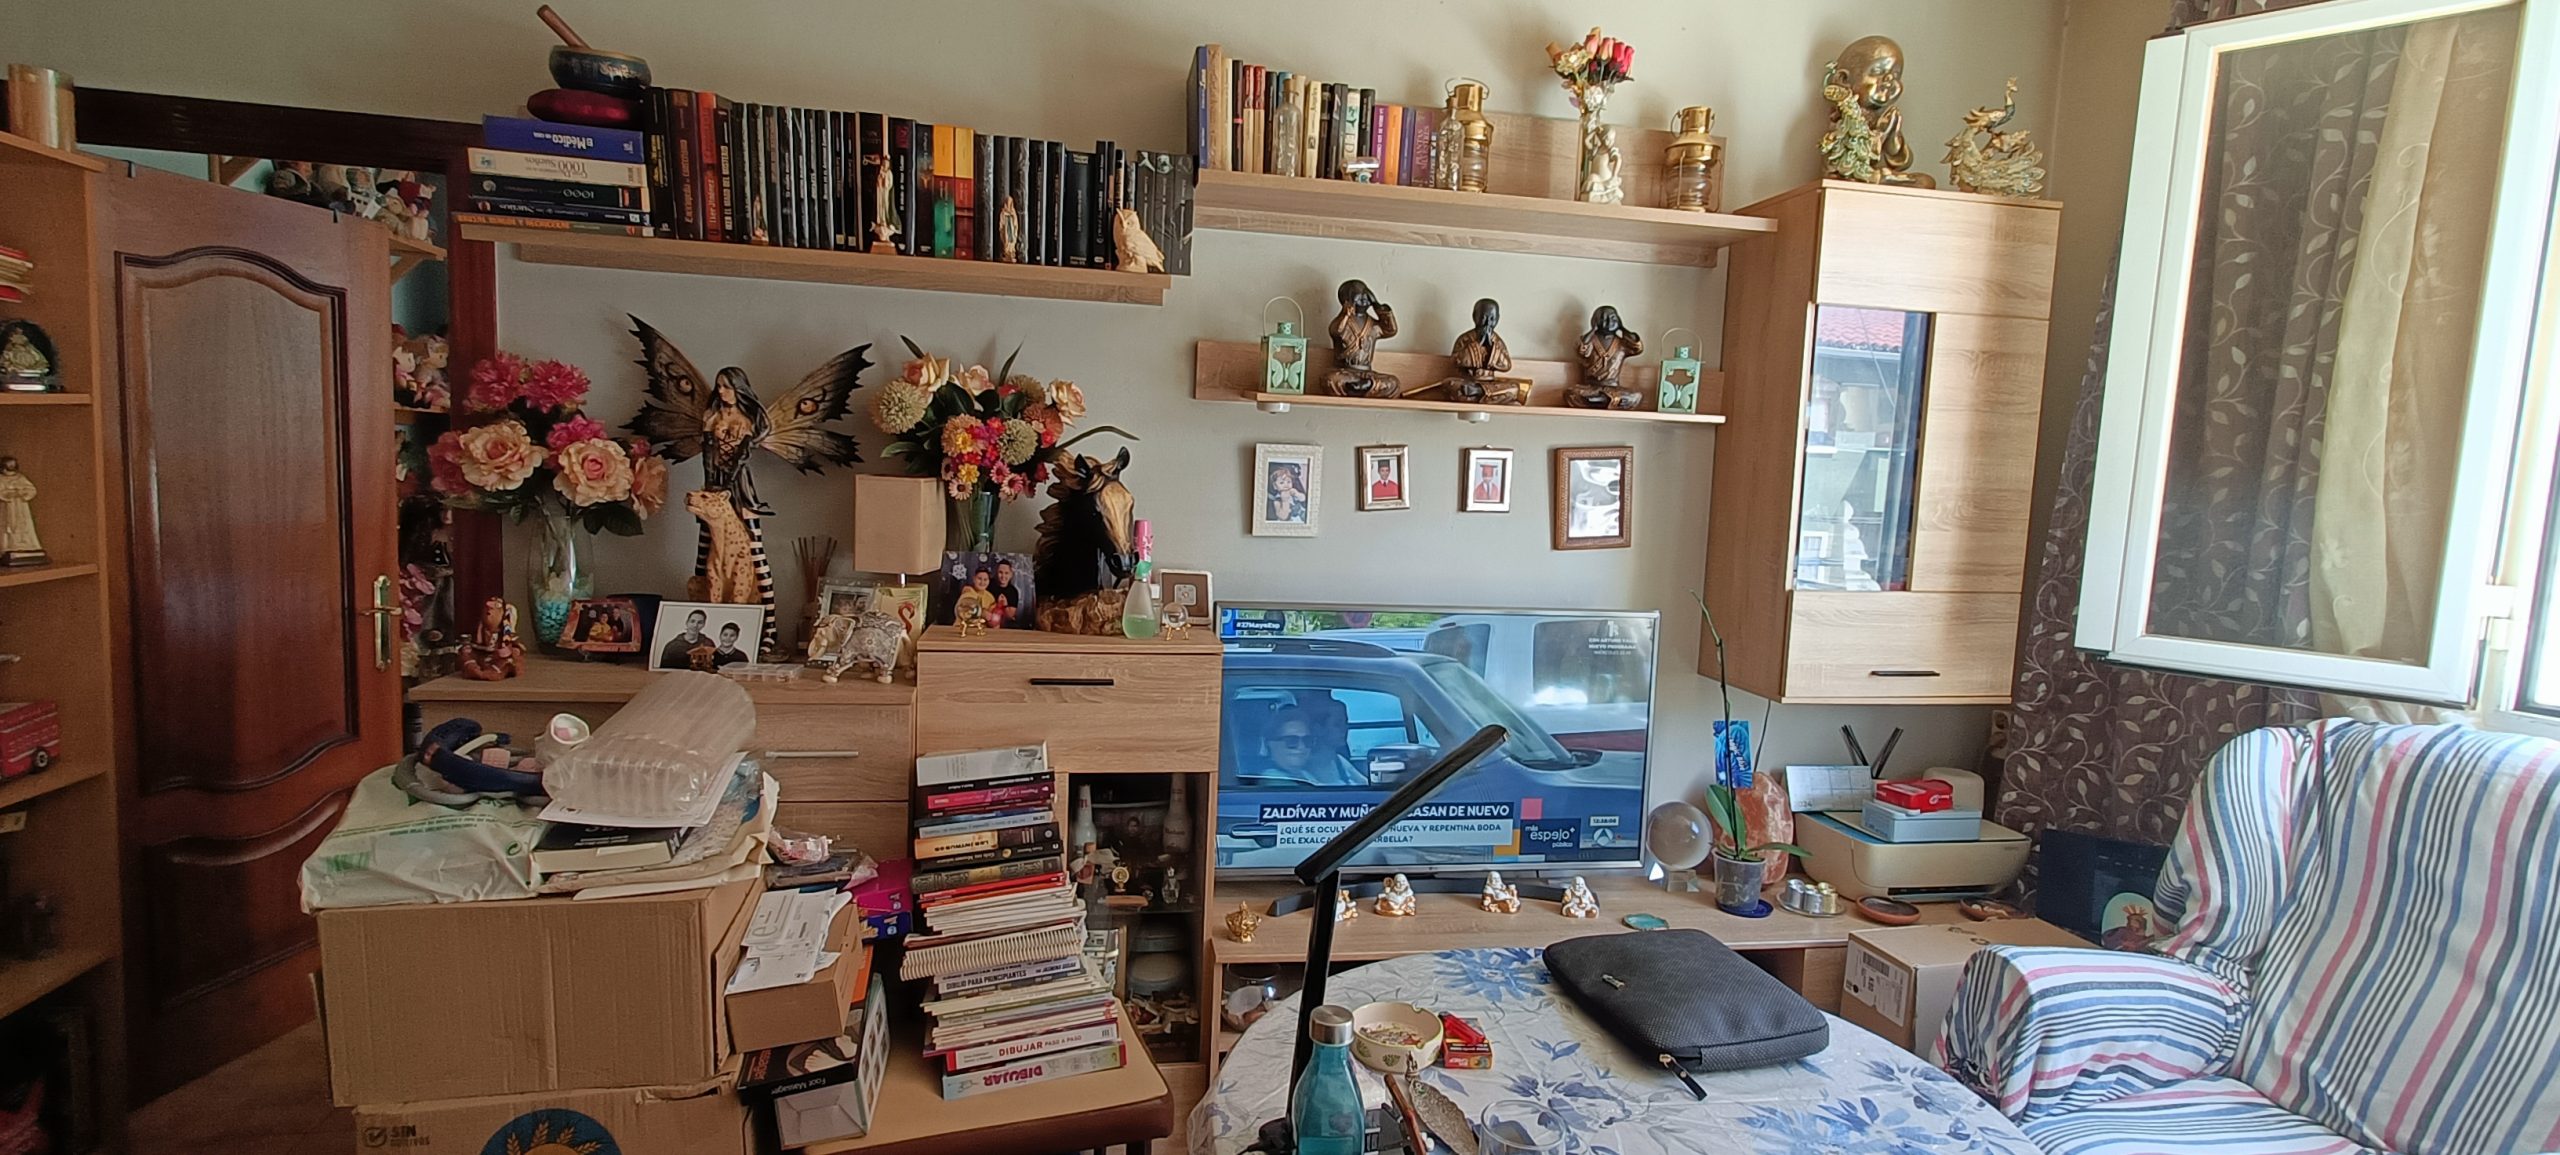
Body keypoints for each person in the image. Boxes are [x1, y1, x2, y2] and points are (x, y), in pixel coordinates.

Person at [1251, 705, 1363, 787]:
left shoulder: (1304, 774)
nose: (1301, 746)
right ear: (1270, 743)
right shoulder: (1274, 779)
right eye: (1291, 741)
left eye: (1307, 740)